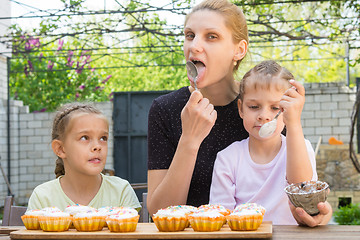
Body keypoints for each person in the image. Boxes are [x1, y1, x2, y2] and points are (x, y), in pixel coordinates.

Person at [147, 0, 331, 227]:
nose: (194, 46)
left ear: (239, 50)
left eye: (211, 36)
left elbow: (299, 183)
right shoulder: (166, 109)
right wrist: (190, 139)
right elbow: (160, 213)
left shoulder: (261, 106)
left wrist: (318, 212)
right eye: (189, 35)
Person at [209, 60, 332, 225]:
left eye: (275, 108)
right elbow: (220, 218)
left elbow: (301, 188)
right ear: (241, 108)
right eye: (254, 106)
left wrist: (293, 122)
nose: (264, 116)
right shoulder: (228, 158)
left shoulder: (301, 148)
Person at [27, 102, 141, 211]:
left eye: (103, 138)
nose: (97, 146)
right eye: (84, 138)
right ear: (60, 149)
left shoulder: (121, 191)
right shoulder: (42, 197)